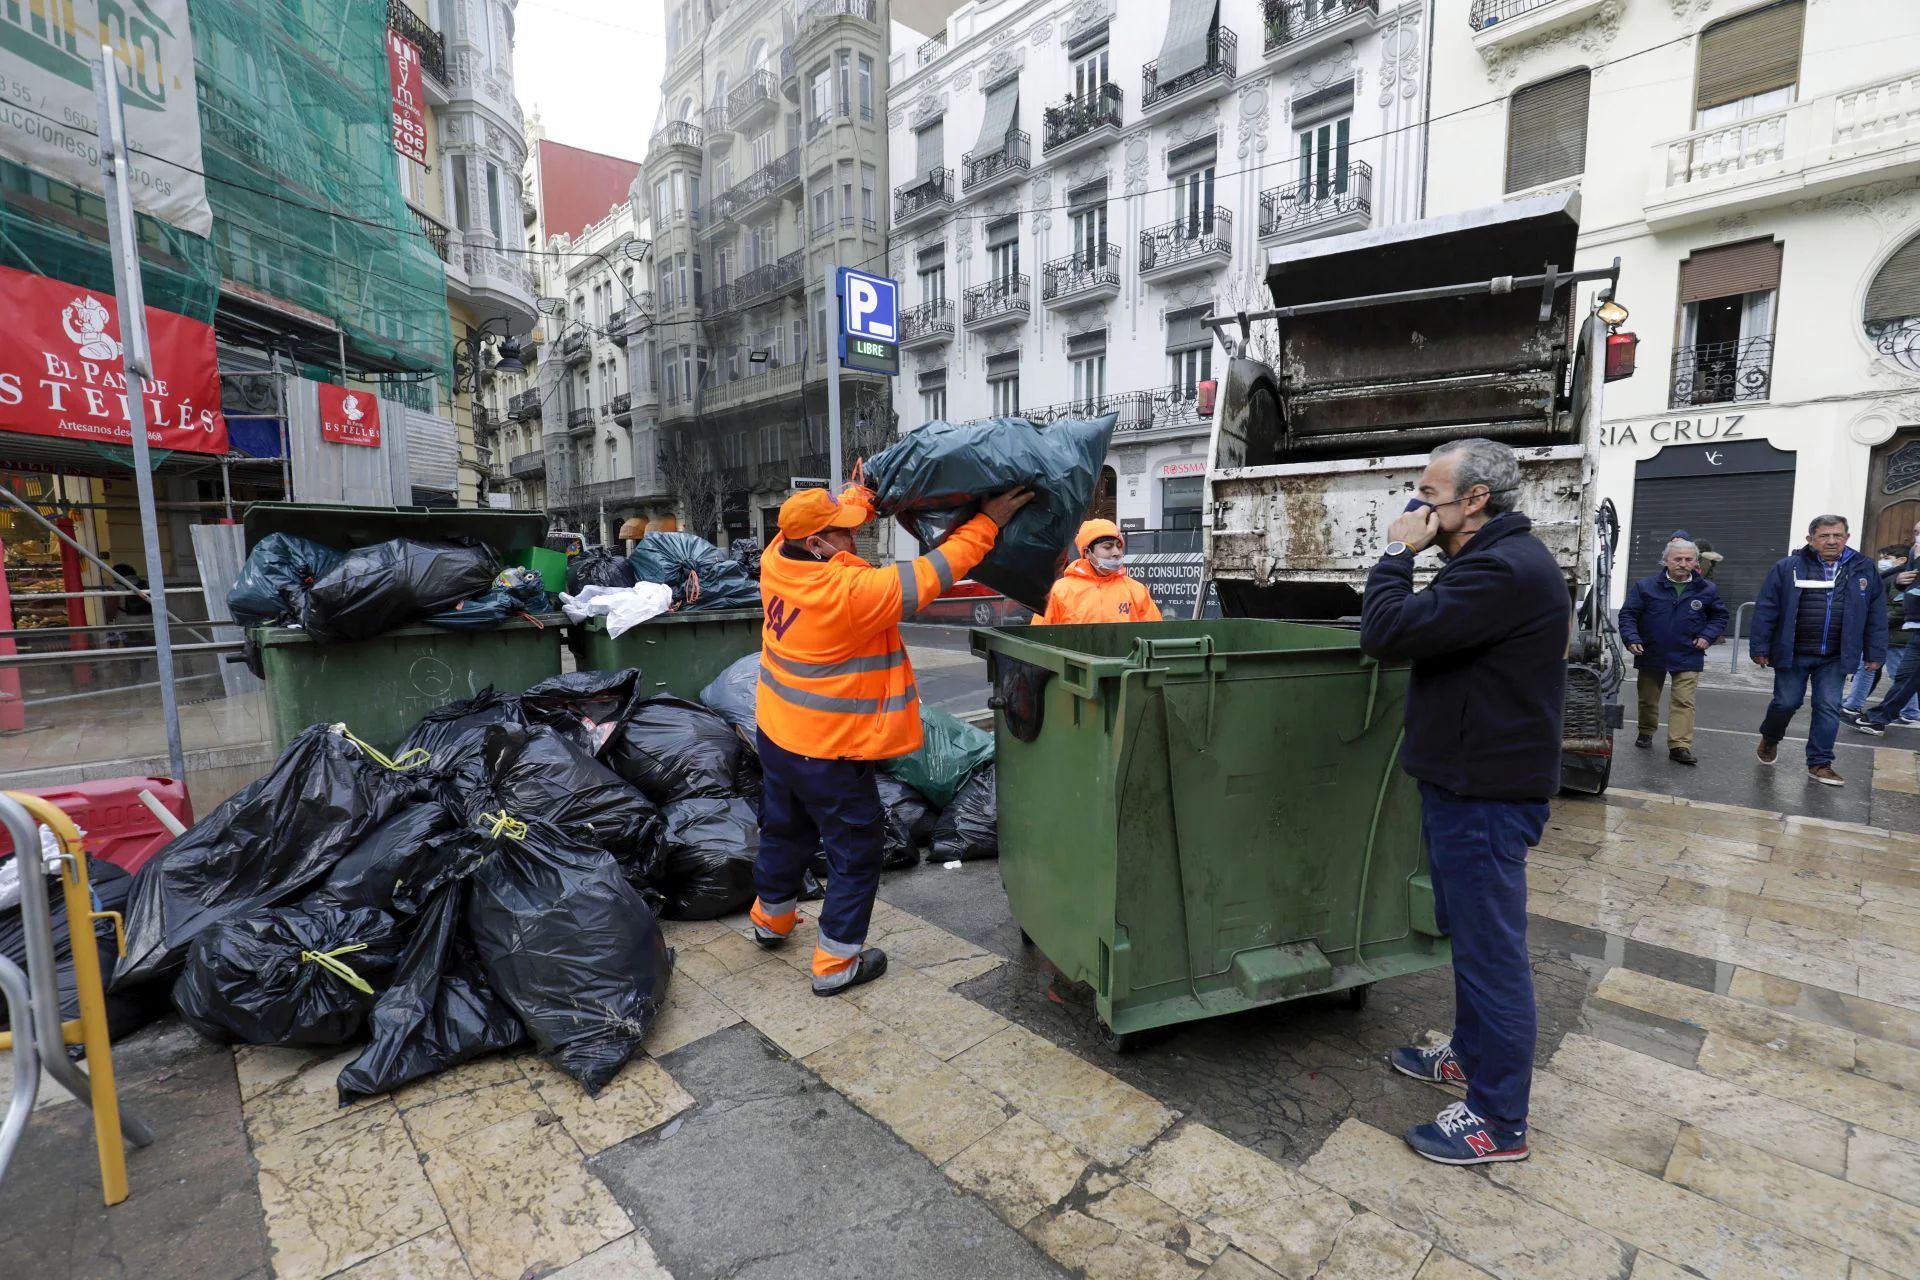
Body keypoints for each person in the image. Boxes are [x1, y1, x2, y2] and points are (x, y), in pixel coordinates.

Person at [1360, 438, 1567, 1166]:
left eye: (1428, 496)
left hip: (1485, 793)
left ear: (1474, 501)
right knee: (1473, 942)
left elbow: (1385, 633)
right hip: (1466, 782)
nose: (1416, 508)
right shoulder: (1490, 563)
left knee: (1491, 957)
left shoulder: (1504, 569)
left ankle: (1499, 1120)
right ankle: (1469, 1056)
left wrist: (1395, 557)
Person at [749, 482, 1034, 995]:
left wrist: (860, 493)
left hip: (776, 733)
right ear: (820, 542)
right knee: (856, 850)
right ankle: (836, 963)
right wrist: (987, 521)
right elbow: (936, 572)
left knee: (785, 829)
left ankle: (771, 920)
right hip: (828, 751)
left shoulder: (778, 558)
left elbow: (834, 521)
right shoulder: (850, 594)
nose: (854, 538)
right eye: (845, 532)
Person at [1750, 515, 1886, 786]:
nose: (1832, 541)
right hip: (1793, 652)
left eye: (1837, 535)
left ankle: (1820, 763)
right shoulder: (1787, 567)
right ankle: (1770, 738)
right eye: (1824, 536)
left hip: (1836, 655)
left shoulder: (1864, 568)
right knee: (1786, 703)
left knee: (1828, 706)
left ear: (1847, 537)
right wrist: (1760, 646)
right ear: (1811, 540)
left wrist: (1875, 653)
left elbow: (1876, 613)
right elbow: (1767, 608)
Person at [1618, 539, 1728, 766]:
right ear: (1666, 561)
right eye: (1677, 559)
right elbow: (1628, 615)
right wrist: (1632, 639)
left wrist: (1707, 636)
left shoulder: (1707, 589)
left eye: (1688, 559)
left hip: (1688, 652)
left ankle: (1679, 746)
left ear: (1696, 562)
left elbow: (1720, 616)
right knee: (1648, 699)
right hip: (1651, 651)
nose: (1683, 564)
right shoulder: (1645, 586)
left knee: (1684, 701)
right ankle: (1646, 730)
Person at [1840, 543, 1917, 724]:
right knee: (1869, 669)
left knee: (1899, 675)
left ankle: (1911, 711)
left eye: (1886, 558)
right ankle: (1853, 703)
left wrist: (1877, 625)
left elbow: (1900, 608)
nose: (1881, 561)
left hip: (1894, 636)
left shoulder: (1901, 577)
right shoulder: (1891, 577)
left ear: (1901, 560)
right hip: (1888, 635)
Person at [1039, 520, 1163, 624]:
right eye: (1107, 547)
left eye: (1119, 546)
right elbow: (1040, 639)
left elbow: (1155, 634)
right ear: (1087, 552)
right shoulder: (1060, 591)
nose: (1116, 552)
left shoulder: (1136, 590)